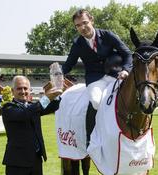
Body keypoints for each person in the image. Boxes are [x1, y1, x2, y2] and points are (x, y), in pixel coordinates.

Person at [52, 9, 132, 145]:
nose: (82, 27)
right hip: (95, 79)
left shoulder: (108, 35)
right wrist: (58, 73)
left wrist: (125, 70)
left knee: (128, 99)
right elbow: (69, 64)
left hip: (116, 74)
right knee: (95, 101)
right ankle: (93, 136)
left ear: (92, 20)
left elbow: (128, 54)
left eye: (85, 23)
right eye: (78, 25)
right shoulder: (78, 44)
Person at [1, 75, 62, 175]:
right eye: (19, 88)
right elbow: (25, 114)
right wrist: (46, 98)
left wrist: (57, 92)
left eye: (25, 88)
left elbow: (54, 106)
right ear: (13, 91)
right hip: (17, 163)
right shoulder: (8, 108)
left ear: (29, 90)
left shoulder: (33, 106)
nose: (23, 91)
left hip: (35, 160)